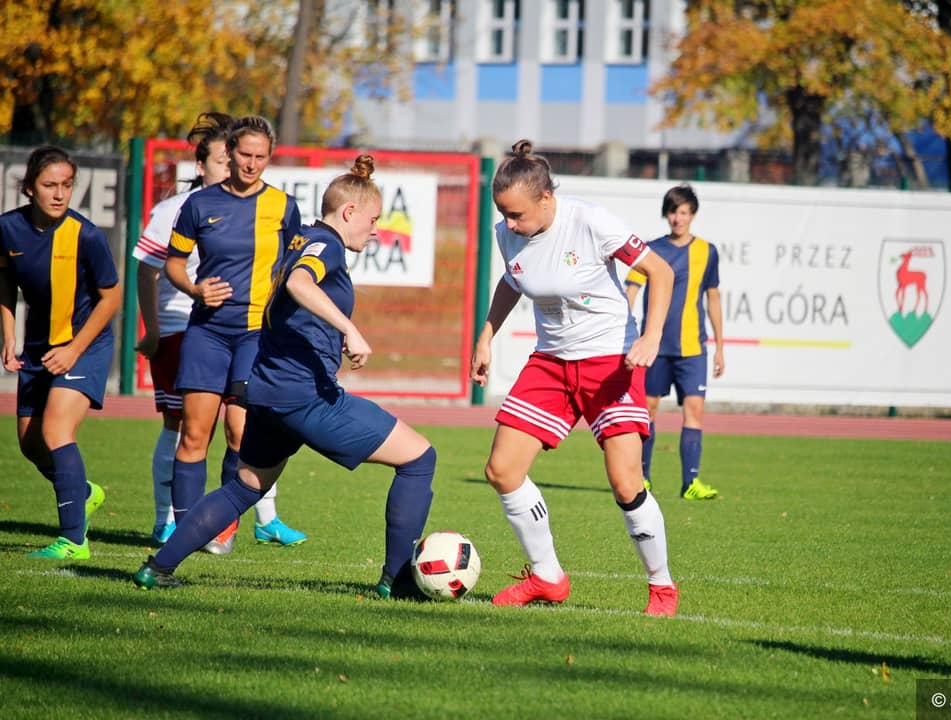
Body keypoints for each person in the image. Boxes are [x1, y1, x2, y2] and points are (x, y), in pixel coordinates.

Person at [134, 155, 436, 596]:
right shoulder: (326, 245)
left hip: (267, 391)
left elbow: (291, 297)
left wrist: (329, 336)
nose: (375, 230)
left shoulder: (302, 238)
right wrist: (351, 330)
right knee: (420, 459)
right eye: (373, 220)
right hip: (303, 396)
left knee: (244, 488)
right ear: (349, 212)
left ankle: (157, 567)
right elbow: (298, 284)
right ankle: (397, 581)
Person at [470, 140, 679, 616]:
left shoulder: (590, 222)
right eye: (503, 214)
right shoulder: (507, 233)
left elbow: (661, 272)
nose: (509, 224)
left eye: (517, 214)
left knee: (626, 481)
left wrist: (650, 337)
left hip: (612, 361)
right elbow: (512, 280)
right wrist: (486, 337)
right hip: (551, 363)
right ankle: (548, 577)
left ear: (546, 198)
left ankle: (662, 586)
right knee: (502, 470)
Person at [164, 115, 306, 554]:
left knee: (240, 434)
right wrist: (195, 289)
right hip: (207, 333)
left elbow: (297, 271)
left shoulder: (283, 207)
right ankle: (185, 532)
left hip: (256, 336)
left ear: (270, 157)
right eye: (245, 154)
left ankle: (222, 526)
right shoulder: (199, 205)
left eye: (261, 156)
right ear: (229, 152)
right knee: (193, 434)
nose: (251, 163)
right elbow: (173, 265)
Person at [0, 146, 121, 558]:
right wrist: (9, 335)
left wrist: (73, 349)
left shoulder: (87, 235)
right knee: (31, 444)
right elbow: (5, 281)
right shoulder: (8, 229)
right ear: (29, 188)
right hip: (38, 347)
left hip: (85, 344)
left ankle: (73, 541)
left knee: (55, 431)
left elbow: (111, 298)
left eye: (67, 185)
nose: (59, 194)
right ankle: (81, 492)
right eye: (50, 185)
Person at [133, 112, 233, 544]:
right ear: (201, 165)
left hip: (233, 330)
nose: (230, 169)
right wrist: (154, 330)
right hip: (182, 326)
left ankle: (256, 519)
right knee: (181, 426)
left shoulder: (248, 208)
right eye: (222, 161)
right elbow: (147, 269)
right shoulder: (175, 209)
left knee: (241, 424)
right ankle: (167, 520)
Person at [624, 184, 723, 500]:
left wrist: (720, 347)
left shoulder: (707, 252)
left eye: (683, 212)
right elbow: (631, 289)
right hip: (654, 347)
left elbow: (713, 298)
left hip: (693, 348)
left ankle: (690, 483)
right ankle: (642, 478)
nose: (678, 218)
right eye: (673, 212)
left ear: (692, 215)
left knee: (695, 411)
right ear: (666, 215)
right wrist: (626, 331)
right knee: (648, 411)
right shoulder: (650, 250)